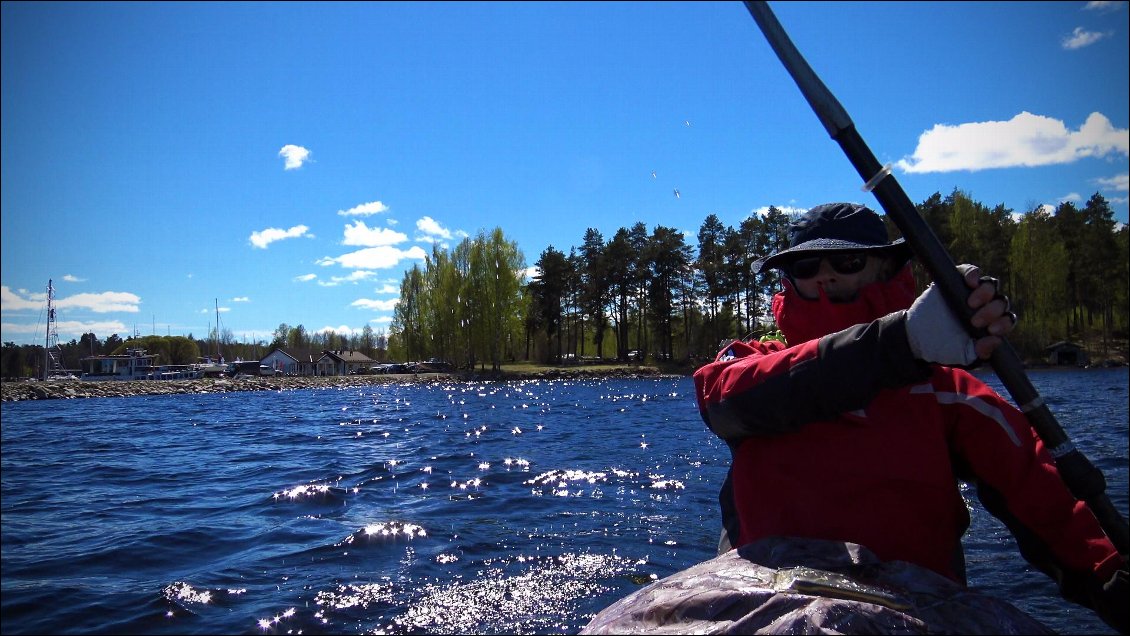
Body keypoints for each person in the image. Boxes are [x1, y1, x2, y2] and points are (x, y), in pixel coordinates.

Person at [692, 202, 1127, 633]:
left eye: (848, 260)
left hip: (908, 610)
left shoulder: (946, 393)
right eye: (806, 266)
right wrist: (904, 341)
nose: (825, 274)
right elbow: (724, 402)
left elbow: (1039, 489)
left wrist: (1106, 570)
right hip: (767, 600)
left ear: (885, 267)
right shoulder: (752, 363)